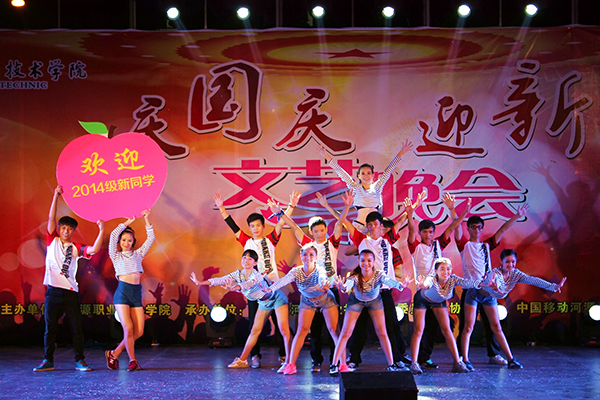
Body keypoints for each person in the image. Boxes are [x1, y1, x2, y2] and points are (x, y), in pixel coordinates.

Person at [214, 190, 300, 368]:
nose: (255, 228)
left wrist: (291, 205)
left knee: (280, 324)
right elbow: (233, 226)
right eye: (252, 226)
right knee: (254, 324)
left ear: (263, 226)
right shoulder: (247, 241)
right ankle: (254, 356)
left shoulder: (271, 240)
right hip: (254, 289)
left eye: (258, 225)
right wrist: (222, 208)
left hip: (273, 287)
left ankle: (284, 355)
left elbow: (281, 222)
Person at [267, 191, 352, 372]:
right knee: (312, 329)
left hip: (329, 290)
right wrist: (280, 213)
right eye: (316, 231)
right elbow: (294, 226)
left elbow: (339, 223)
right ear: (311, 233)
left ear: (325, 230)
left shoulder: (332, 243)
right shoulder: (308, 246)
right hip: (310, 292)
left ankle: (337, 363)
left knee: (334, 330)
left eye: (322, 230)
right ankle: (315, 361)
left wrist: (346, 207)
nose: (319, 233)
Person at [33, 185, 105, 372]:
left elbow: (94, 250)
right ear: (59, 229)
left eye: (70, 228)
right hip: (53, 292)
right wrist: (55, 196)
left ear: (73, 231)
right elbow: (51, 218)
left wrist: (101, 230)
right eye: (63, 228)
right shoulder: (52, 241)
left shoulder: (75, 247)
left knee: (76, 328)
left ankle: (80, 360)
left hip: (70, 292)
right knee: (50, 328)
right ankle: (47, 360)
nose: (66, 231)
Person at [460, 249, 567, 370]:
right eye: (507, 262)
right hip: (475, 295)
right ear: (501, 261)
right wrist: (495, 286)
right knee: (469, 327)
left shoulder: (516, 274)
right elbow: (496, 287)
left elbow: (532, 280)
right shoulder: (495, 274)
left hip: (490, 298)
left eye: (513, 262)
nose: (510, 265)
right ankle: (465, 360)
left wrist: (553, 287)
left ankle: (511, 359)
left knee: (497, 327)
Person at [190, 250, 292, 372]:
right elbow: (222, 279)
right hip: (263, 303)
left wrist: (235, 287)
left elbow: (248, 284)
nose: (246, 260)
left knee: (283, 330)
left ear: (255, 263)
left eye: (250, 259)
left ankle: (289, 362)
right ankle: (242, 360)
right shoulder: (238, 274)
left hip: (276, 299)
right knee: (254, 331)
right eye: (244, 257)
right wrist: (201, 282)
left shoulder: (257, 276)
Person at [455, 203, 529, 366]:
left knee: (494, 326)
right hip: (471, 290)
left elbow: (502, 229)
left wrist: (517, 216)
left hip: (488, 291)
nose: (477, 230)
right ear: (468, 228)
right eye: (473, 227)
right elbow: (456, 227)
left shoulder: (486, 245)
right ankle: (462, 358)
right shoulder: (464, 245)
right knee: (467, 326)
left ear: (482, 229)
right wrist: (453, 210)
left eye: (479, 227)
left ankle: (499, 356)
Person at [340, 201, 407, 371]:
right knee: (360, 326)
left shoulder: (387, 240)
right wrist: (341, 207)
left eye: (375, 224)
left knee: (391, 325)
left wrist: (409, 211)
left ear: (381, 226)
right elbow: (344, 222)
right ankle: (354, 359)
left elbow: (400, 222)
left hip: (383, 290)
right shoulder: (362, 240)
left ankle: (396, 359)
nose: (372, 227)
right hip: (364, 290)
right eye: (369, 225)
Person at [405, 194, 469, 369]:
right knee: (419, 329)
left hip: (439, 294)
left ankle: (453, 362)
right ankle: (415, 362)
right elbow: (411, 231)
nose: (428, 235)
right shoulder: (416, 247)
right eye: (425, 232)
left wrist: (456, 210)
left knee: (441, 328)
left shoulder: (438, 244)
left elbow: (453, 226)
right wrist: (410, 214)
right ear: (421, 233)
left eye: (431, 231)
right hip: (423, 293)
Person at [330, 250, 411, 374]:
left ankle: (391, 364)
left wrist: (400, 285)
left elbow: (389, 281)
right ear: (359, 261)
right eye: (363, 260)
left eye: (369, 260)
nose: (366, 263)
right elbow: (348, 285)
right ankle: (334, 365)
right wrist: (343, 287)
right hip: (356, 302)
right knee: (346, 332)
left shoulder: (379, 275)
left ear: (373, 262)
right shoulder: (355, 276)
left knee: (382, 332)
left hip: (375, 302)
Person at [266, 245, 341, 375]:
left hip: (326, 300)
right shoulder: (297, 271)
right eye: (305, 254)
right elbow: (283, 280)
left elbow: (322, 277)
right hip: (307, 301)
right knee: (302, 330)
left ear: (316, 257)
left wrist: (324, 284)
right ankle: (291, 365)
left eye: (311, 255)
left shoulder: (320, 270)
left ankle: (341, 363)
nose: (308, 257)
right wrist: (270, 289)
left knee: (333, 331)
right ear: (301, 256)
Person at [317, 140, 412, 228]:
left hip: (375, 228)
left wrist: (401, 153)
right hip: (359, 227)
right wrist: (327, 157)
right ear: (358, 176)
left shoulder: (377, 187)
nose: (366, 176)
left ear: (373, 175)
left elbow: (388, 170)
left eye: (368, 173)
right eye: (363, 173)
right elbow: (340, 171)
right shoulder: (355, 188)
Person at [409, 258, 481, 374]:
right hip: (422, 300)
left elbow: (468, 282)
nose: (445, 272)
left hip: (438, 300)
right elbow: (427, 283)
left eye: (448, 269)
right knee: (419, 330)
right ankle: (414, 363)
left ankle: (457, 363)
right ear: (436, 271)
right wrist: (423, 285)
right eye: (442, 269)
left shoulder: (452, 279)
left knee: (447, 330)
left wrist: (484, 284)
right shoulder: (432, 278)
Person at [105, 210, 155, 372]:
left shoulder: (138, 254)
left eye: (130, 240)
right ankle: (132, 360)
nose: (126, 243)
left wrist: (146, 218)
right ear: (120, 242)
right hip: (122, 293)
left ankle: (114, 353)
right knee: (128, 328)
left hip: (135, 293)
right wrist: (128, 222)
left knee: (139, 331)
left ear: (133, 242)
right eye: (124, 240)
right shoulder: (115, 256)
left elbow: (151, 238)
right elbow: (113, 235)